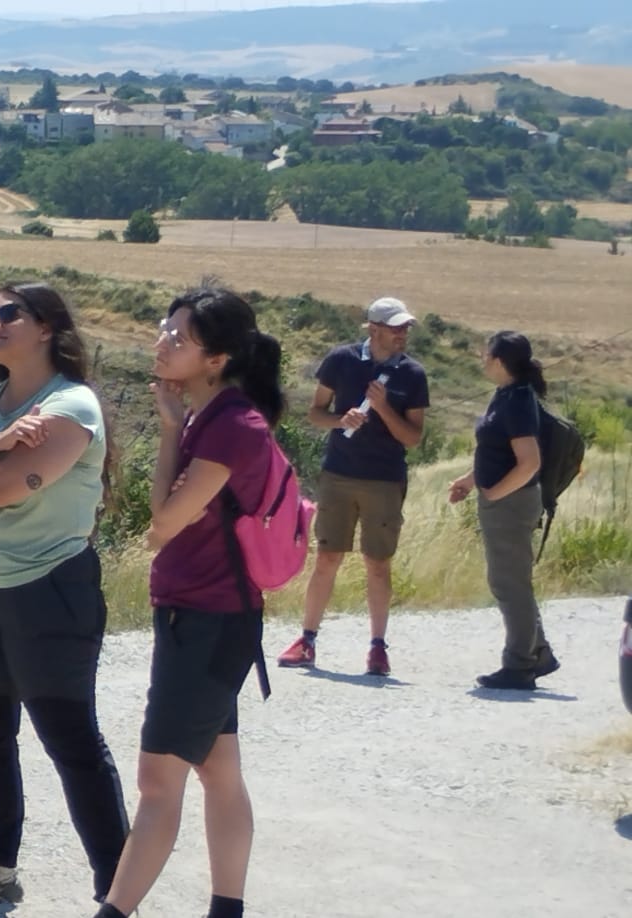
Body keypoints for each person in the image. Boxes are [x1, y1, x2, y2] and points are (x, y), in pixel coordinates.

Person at [0, 283, 130, 907]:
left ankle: (117, 892)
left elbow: (1, 491)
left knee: (70, 741)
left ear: (46, 328)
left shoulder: (72, 405)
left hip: (49, 590)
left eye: (9, 312)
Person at [97, 288, 284, 918]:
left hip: (207, 622)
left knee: (158, 783)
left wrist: (174, 432)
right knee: (218, 769)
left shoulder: (233, 426)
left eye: (180, 337)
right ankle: (226, 910)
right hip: (213, 619)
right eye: (164, 329)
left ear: (217, 359)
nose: (163, 342)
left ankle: (113, 913)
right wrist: (176, 426)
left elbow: (163, 521)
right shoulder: (215, 418)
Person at [278, 297, 428, 676]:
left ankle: (378, 648)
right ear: (373, 329)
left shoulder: (412, 374)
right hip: (339, 475)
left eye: (406, 327)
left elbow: (412, 437)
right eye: (396, 327)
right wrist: (340, 420)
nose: (402, 334)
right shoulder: (341, 361)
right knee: (327, 557)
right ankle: (307, 640)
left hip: (384, 479)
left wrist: (383, 409)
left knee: (378, 564)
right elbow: (315, 413)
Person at [449, 331, 559, 692]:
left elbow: (529, 463)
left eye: (487, 354)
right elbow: (498, 452)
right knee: (509, 582)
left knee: (510, 585)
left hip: (511, 504)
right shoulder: (508, 395)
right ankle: (537, 653)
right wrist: (471, 479)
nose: (482, 359)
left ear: (500, 361)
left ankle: (519, 665)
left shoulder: (516, 402)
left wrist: (494, 492)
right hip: (505, 501)